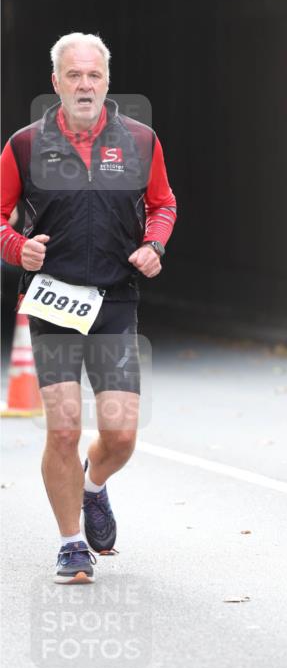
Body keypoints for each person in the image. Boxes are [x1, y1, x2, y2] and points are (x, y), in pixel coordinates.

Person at [0, 32, 177, 584]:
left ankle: (92, 486)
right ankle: (71, 543)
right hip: (54, 301)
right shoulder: (26, 145)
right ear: (55, 82)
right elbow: (1, 217)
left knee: (121, 433)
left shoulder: (141, 140)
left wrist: (154, 245)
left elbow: (162, 203)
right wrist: (16, 248)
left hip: (115, 300)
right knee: (63, 429)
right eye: (73, 75)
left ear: (106, 80)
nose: (84, 84)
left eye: (93, 75)